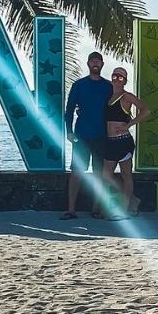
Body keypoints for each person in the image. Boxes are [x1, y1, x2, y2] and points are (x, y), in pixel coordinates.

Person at [61, 51, 112, 220]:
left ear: (102, 64)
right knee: (76, 172)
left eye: (98, 61)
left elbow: (116, 110)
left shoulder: (108, 86)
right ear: (88, 64)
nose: (95, 64)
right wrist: (68, 131)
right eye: (93, 61)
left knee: (99, 173)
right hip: (81, 135)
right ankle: (71, 210)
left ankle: (96, 209)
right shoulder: (79, 85)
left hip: (102, 136)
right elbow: (69, 110)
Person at [101, 66, 150, 220]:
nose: (117, 79)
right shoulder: (108, 97)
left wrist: (129, 125)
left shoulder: (126, 96)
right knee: (106, 176)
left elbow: (145, 110)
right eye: (115, 76)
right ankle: (133, 201)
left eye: (120, 77)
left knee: (126, 176)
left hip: (123, 142)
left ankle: (123, 210)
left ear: (125, 81)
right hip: (110, 142)